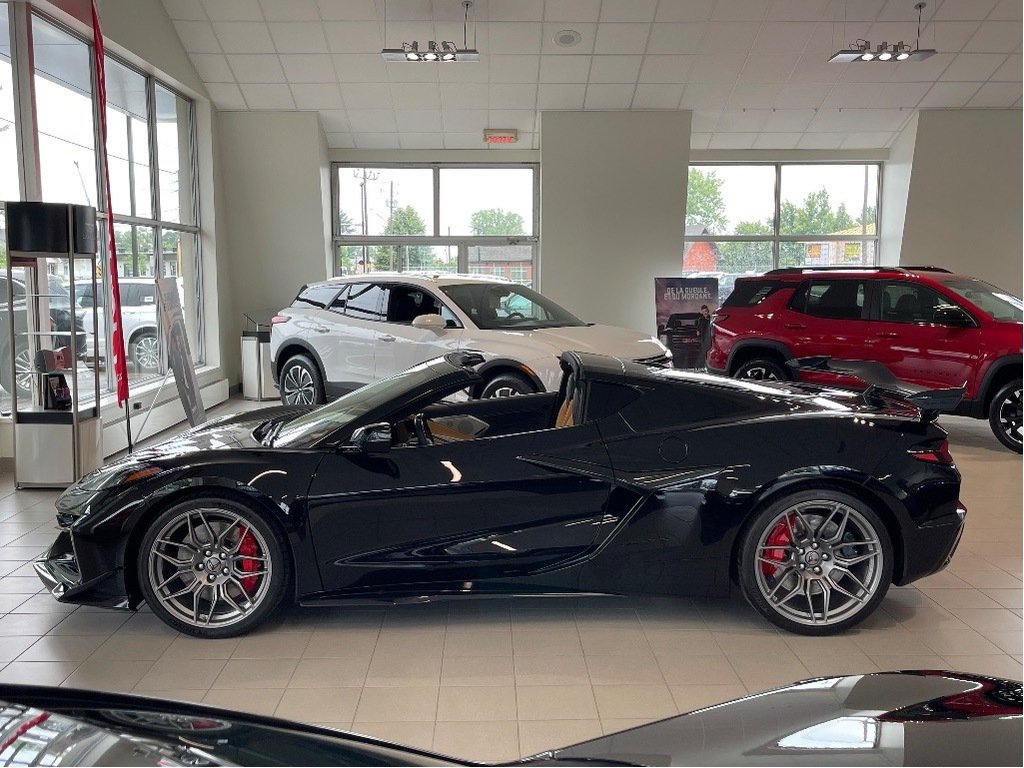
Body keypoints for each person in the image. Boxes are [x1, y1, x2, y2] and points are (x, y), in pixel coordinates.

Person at [695, 304, 712, 370]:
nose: (705, 312)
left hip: (710, 338)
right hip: (703, 339)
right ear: (702, 312)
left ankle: (709, 367)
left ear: (708, 311)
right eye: (703, 311)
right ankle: (702, 367)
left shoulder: (711, 319)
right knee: (704, 353)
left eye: (706, 311)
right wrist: (698, 332)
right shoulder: (700, 320)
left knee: (709, 353)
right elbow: (698, 330)